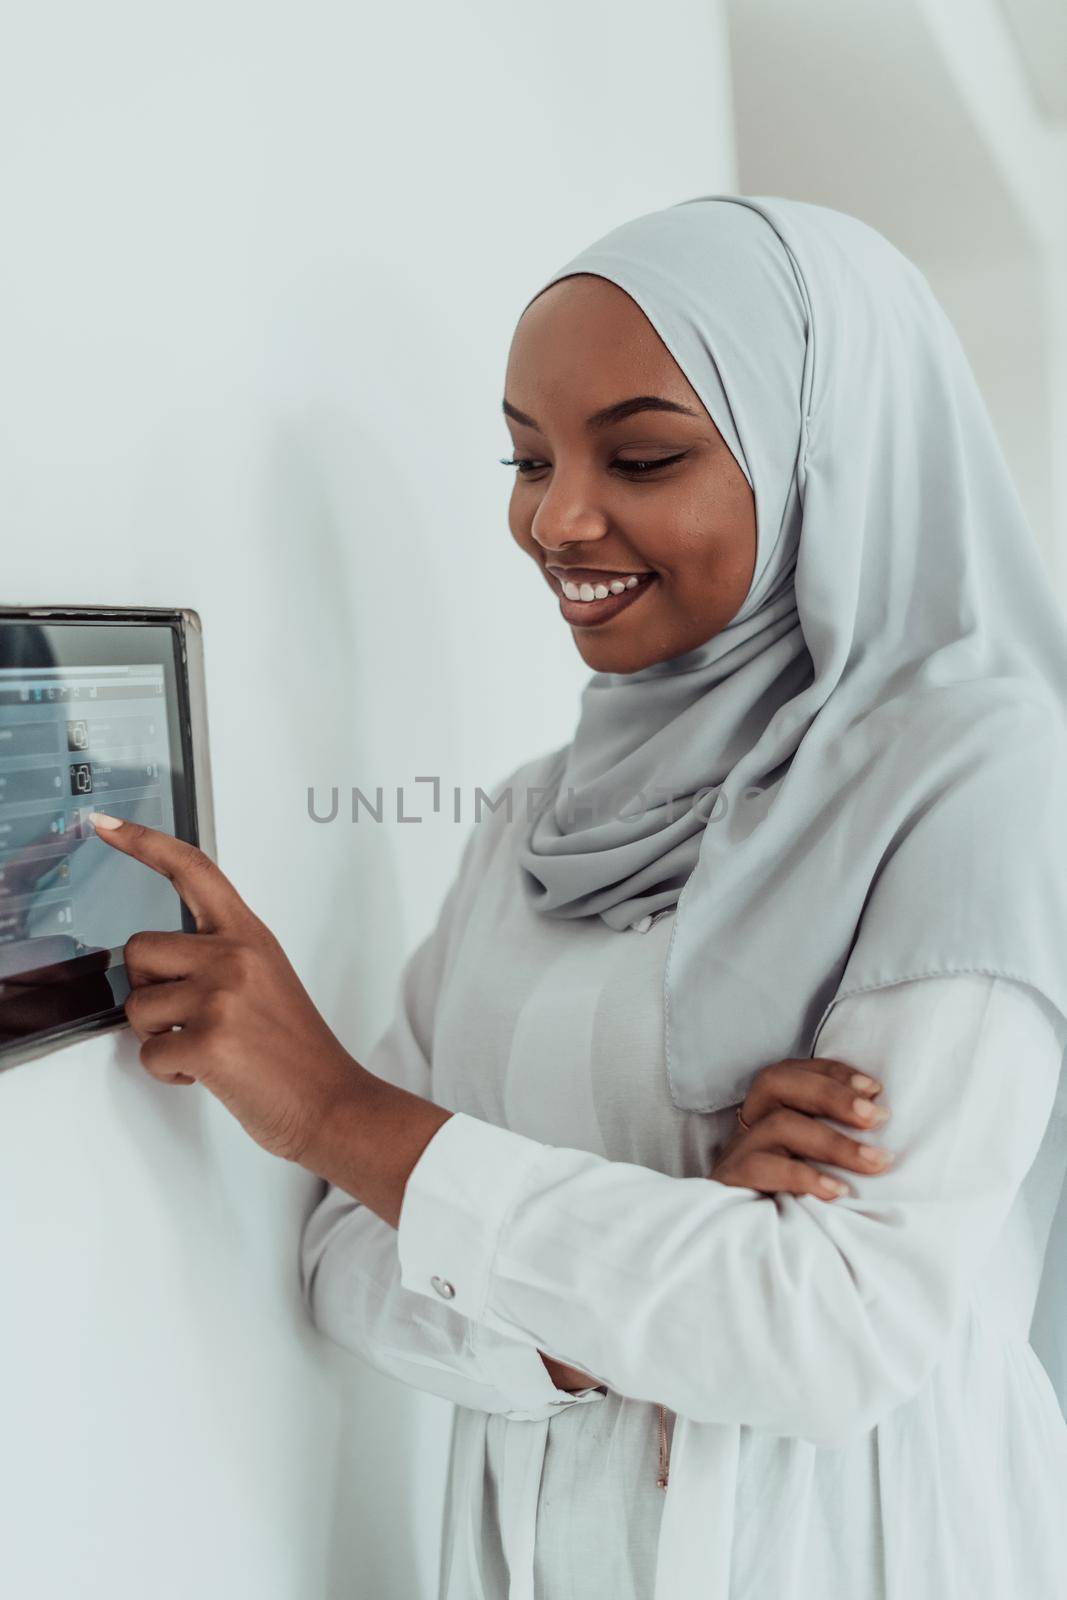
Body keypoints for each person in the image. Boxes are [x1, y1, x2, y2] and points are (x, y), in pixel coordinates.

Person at [89, 195, 1067, 1599]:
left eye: (646, 454)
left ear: (825, 461)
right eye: (526, 456)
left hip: (855, 1547)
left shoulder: (977, 779)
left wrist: (339, 1112)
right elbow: (349, 1262)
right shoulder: (537, 817)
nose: (558, 517)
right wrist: (662, 1260)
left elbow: (836, 1335)